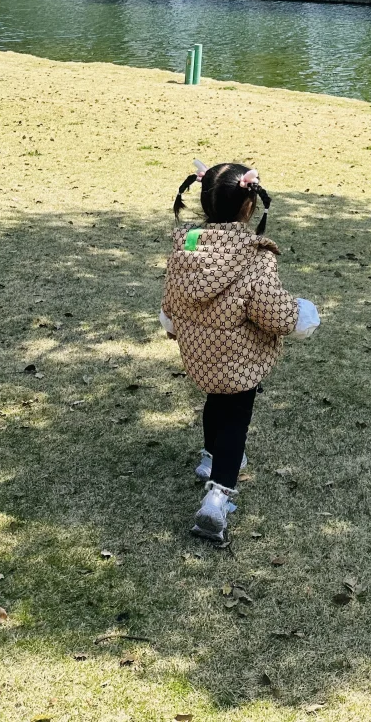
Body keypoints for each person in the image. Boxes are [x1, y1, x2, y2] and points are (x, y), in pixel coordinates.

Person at [160, 160, 320, 545]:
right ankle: (217, 499)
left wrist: (171, 322)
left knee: (216, 402)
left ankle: (209, 458)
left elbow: (172, 299)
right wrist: (301, 314)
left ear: (205, 202)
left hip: (200, 352)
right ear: (249, 206)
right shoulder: (254, 255)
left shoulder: (188, 246)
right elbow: (271, 311)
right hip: (239, 358)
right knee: (235, 420)